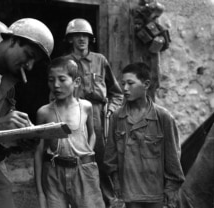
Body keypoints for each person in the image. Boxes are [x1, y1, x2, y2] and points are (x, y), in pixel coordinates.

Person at [0, 18, 54, 208]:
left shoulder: (9, 82)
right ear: (12, 40)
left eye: (34, 62)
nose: (29, 66)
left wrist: (19, 138)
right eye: (28, 55)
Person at [104, 62, 185, 208]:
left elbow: (173, 159)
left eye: (130, 83)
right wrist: (117, 190)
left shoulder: (163, 117)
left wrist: (170, 194)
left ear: (146, 84)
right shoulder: (116, 117)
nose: (125, 88)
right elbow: (111, 159)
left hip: (156, 196)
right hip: (128, 196)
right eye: (123, 84)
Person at [62, 18, 124, 208]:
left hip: (98, 114)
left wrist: (111, 111)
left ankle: (111, 199)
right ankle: (80, 199)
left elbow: (117, 93)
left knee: (102, 158)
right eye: (76, 35)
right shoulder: (64, 62)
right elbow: (55, 94)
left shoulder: (100, 60)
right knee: (76, 156)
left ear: (91, 39)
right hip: (73, 114)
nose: (81, 39)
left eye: (85, 35)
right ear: (70, 39)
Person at [34, 56, 105, 208]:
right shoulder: (44, 112)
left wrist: (87, 153)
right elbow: (39, 151)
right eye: (51, 80)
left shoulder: (85, 106)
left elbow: (92, 133)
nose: (56, 85)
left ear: (76, 82)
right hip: (54, 174)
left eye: (62, 79)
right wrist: (40, 192)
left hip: (84, 173)